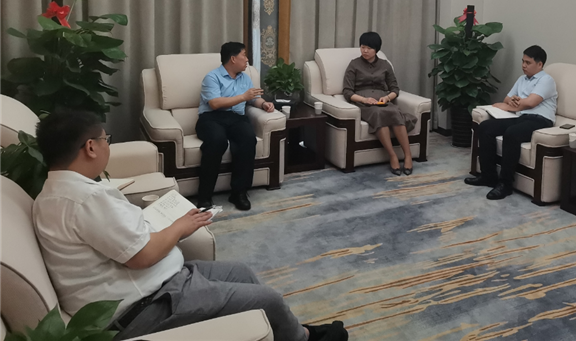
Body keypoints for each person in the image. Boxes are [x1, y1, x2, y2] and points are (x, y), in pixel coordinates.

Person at [32, 111, 348, 341]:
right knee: (269, 300)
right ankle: (303, 337)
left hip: (157, 283)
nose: (107, 146)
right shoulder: (84, 199)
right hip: (144, 307)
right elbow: (141, 256)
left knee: (240, 272)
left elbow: (120, 240)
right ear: (90, 147)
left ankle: (289, 332)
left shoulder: (55, 192)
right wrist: (181, 226)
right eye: (106, 140)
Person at [464, 45, 557, 200]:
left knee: (512, 133)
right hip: (521, 117)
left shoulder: (546, 80)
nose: (523, 65)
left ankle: (505, 184)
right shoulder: (522, 79)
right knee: (486, 127)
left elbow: (531, 102)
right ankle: (488, 176)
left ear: (540, 64)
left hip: (540, 120)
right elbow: (508, 98)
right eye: (523, 61)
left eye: (528, 62)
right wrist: (512, 101)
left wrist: (508, 106)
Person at [196, 41, 273, 211]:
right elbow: (215, 103)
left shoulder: (244, 77)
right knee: (217, 141)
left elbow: (253, 98)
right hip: (211, 118)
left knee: (248, 139)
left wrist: (263, 104)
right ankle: (204, 196)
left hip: (236, 118)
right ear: (233, 59)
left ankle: (239, 193)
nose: (247, 59)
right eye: (244, 55)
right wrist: (243, 97)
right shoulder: (212, 77)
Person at [343, 32, 417, 176]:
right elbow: (347, 91)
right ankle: (393, 156)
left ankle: (408, 156)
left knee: (394, 112)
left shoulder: (385, 65)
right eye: (362, 47)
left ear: (376, 49)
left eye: (369, 48)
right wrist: (364, 100)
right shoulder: (354, 64)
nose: (365, 51)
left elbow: (395, 89)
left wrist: (387, 98)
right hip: (364, 103)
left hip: (383, 101)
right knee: (378, 113)